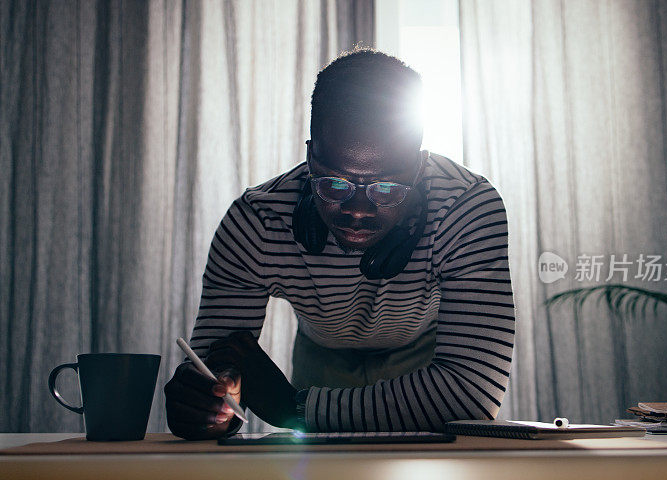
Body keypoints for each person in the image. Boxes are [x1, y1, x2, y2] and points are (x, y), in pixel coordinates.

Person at [164, 49, 515, 440]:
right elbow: (214, 373)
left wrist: (293, 407)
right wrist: (211, 408)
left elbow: (470, 394)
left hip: (425, 357)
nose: (359, 211)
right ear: (311, 158)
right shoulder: (257, 222)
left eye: (387, 187)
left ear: (418, 168)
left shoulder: (466, 206)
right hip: (322, 358)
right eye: (335, 183)